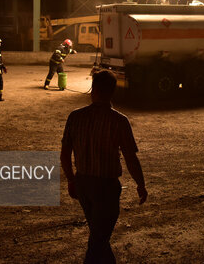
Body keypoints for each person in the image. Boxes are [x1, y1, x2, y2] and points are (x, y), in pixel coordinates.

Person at [61, 69, 147, 263]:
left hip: (83, 184)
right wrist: (140, 184)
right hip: (106, 188)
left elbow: (65, 154)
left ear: (94, 90)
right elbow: (130, 158)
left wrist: (72, 180)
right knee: (99, 240)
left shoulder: (75, 117)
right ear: (112, 92)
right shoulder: (119, 121)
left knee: (99, 236)